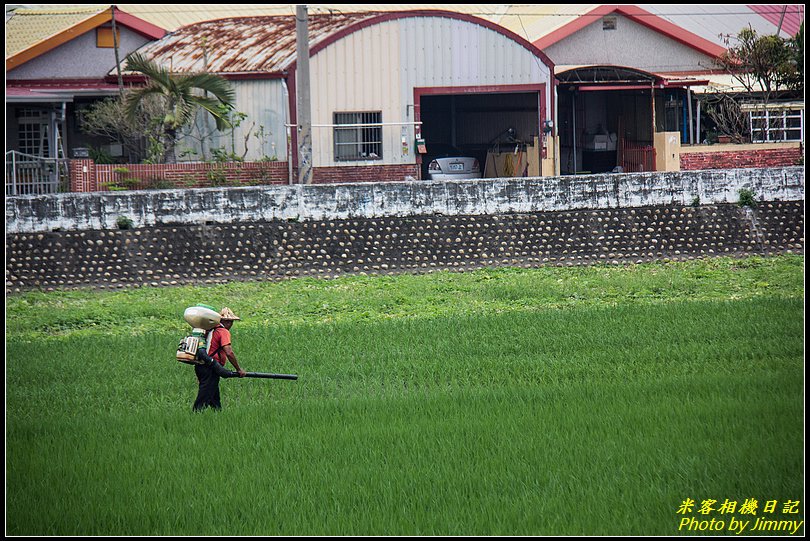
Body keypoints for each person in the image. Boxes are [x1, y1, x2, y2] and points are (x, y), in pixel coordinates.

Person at [193, 307, 247, 412]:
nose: (231, 325)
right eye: (230, 322)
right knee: (203, 398)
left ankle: (218, 414)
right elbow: (229, 352)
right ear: (226, 322)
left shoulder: (209, 330)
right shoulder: (223, 332)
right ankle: (194, 417)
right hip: (211, 368)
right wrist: (238, 369)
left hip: (202, 366)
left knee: (214, 398)